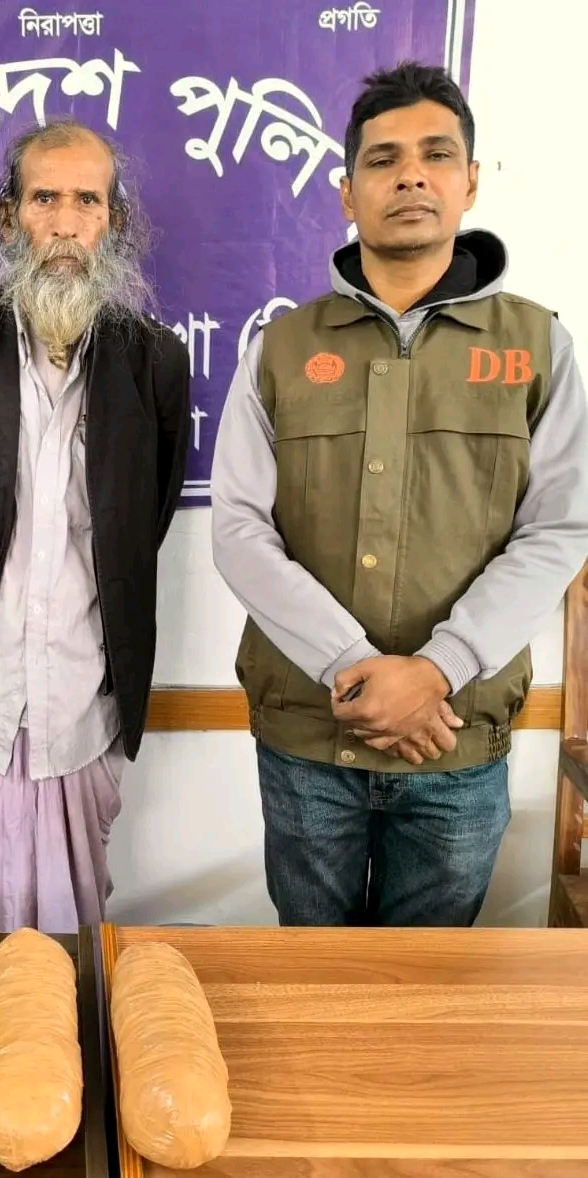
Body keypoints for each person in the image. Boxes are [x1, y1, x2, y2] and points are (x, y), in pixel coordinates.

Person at [211, 62, 588, 927]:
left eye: (434, 155)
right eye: (382, 160)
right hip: (307, 737)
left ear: (469, 181)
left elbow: (558, 528)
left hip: (454, 739)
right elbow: (237, 527)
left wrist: (436, 671)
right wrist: (352, 669)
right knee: (310, 975)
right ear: (348, 192)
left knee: (427, 984)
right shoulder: (280, 347)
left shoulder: (537, 345)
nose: (410, 176)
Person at [0, 119, 191, 934]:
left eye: (86, 202)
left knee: (77, 933)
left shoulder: (153, 360)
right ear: (7, 216)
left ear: (112, 222)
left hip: (84, 703)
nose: (64, 224)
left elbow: (142, 524)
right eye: (43, 199)